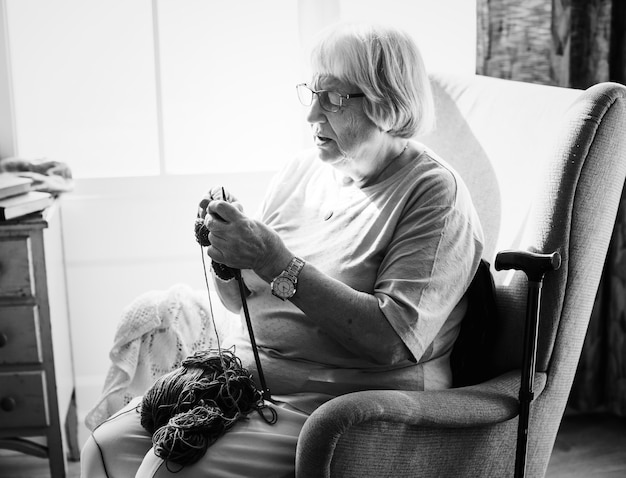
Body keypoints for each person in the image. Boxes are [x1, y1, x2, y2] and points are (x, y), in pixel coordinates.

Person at [80, 22, 484, 477]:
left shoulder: (433, 193)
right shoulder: (300, 172)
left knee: (168, 468)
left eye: (333, 98)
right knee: (104, 448)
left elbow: (391, 342)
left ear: (387, 104)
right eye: (312, 93)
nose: (312, 114)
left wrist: (273, 259)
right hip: (246, 385)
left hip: (346, 407)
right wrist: (228, 253)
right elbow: (240, 303)